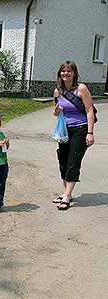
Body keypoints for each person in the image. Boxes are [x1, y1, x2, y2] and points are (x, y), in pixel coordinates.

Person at [52, 61, 95, 210]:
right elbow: (56, 113)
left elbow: (89, 111)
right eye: (63, 71)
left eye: (69, 71)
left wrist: (90, 133)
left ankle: (67, 195)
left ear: (74, 73)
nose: (65, 73)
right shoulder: (58, 91)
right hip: (64, 130)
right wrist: (57, 109)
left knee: (73, 161)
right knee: (63, 161)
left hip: (80, 130)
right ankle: (66, 193)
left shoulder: (81, 89)